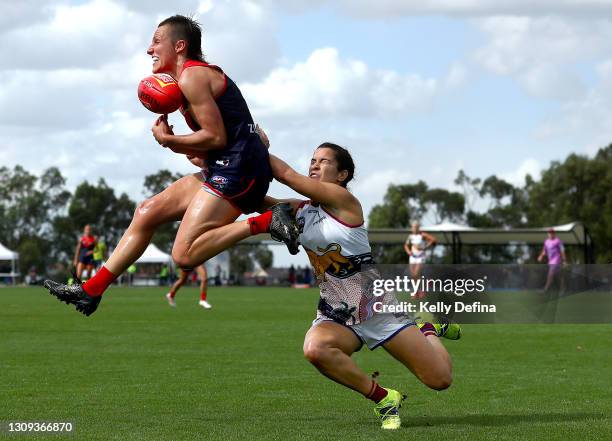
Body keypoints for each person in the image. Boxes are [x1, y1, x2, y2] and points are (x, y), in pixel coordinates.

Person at [43, 15, 299, 316]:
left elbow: (215, 136)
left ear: (179, 46)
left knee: (184, 255)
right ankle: (92, 290)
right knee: (146, 212)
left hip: (239, 168)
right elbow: (219, 139)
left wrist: (169, 141)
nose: (149, 49)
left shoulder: (192, 76)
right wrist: (186, 147)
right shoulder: (184, 83)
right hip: (230, 165)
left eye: (156, 41)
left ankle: (268, 221)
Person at [265, 143, 461, 430]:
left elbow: (286, 175)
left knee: (440, 379)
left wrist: (250, 141)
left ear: (342, 174)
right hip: (336, 312)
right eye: (312, 160)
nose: (315, 165)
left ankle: (428, 326)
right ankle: (385, 399)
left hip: (376, 307)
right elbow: (255, 200)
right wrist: (216, 170)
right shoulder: (302, 210)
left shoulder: (345, 201)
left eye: (324, 161)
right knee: (315, 349)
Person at [403, 222, 437, 297]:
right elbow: (406, 245)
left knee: (417, 274)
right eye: (413, 227)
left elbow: (433, 240)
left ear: (418, 228)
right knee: (413, 275)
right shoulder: (410, 236)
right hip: (412, 257)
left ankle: (421, 289)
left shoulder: (422, 235)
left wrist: (425, 247)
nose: (414, 228)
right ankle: (415, 292)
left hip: (420, 257)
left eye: (415, 227)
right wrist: (409, 252)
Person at [537, 228, 566, 292]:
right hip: (550, 261)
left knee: (550, 274)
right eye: (549, 233)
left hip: (556, 260)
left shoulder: (558, 241)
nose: (550, 234)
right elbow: (544, 251)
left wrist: (564, 260)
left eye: (552, 233)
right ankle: (563, 289)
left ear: (554, 234)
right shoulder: (546, 242)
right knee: (559, 276)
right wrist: (541, 256)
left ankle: (545, 289)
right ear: (548, 234)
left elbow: (562, 250)